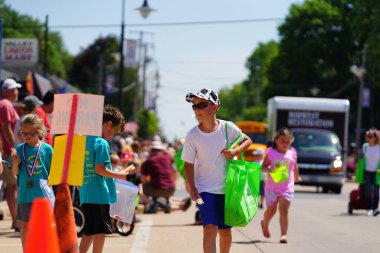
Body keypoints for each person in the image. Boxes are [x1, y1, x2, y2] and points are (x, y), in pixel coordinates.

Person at [181, 88, 252, 253]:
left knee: (225, 231)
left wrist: (234, 151)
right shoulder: (193, 135)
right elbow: (188, 165)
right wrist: (192, 187)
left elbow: (247, 140)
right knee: (209, 228)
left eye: (202, 105)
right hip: (203, 190)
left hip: (229, 189)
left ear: (215, 106)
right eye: (194, 106)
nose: (197, 109)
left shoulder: (228, 128)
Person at [78, 105, 133, 253]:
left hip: (86, 192)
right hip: (98, 194)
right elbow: (100, 169)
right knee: (100, 232)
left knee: (89, 231)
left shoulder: (84, 140)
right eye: (114, 131)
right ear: (108, 124)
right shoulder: (101, 143)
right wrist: (119, 175)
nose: (113, 135)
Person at [10, 114, 53, 249]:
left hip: (43, 196)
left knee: (43, 227)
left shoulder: (47, 149)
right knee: (26, 226)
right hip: (25, 195)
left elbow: (53, 171)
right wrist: (16, 164)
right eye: (23, 133)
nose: (26, 137)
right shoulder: (19, 150)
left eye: (30, 134)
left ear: (39, 132)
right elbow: (15, 172)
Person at [260, 128, 301, 244]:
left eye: (288, 141)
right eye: (282, 141)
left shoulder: (292, 152)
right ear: (276, 140)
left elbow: (295, 166)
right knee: (271, 210)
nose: (285, 144)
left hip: (287, 187)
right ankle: (265, 223)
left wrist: (297, 177)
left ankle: (283, 234)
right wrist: (271, 169)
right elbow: (263, 167)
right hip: (272, 187)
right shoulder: (271, 152)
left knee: (284, 210)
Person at [0, 78, 21, 232]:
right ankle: (16, 221)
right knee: (12, 186)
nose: (16, 92)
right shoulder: (6, 105)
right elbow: (6, 127)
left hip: (6, 151)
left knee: (12, 186)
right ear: (7, 91)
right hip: (8, 152)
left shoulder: (5, 104)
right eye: (14, 89)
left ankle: (16, 220)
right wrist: (14, 148)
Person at [361, 129, 380, 216]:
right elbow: (362, 159)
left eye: (371, 136)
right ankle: (369, 208)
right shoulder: (365, 146)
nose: (369, 138)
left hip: (377, 172)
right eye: (368, 136)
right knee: (368, 190)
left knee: (376, 191)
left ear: (375, 137)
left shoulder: (379, 147)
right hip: (367, 171)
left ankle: (375, 209)